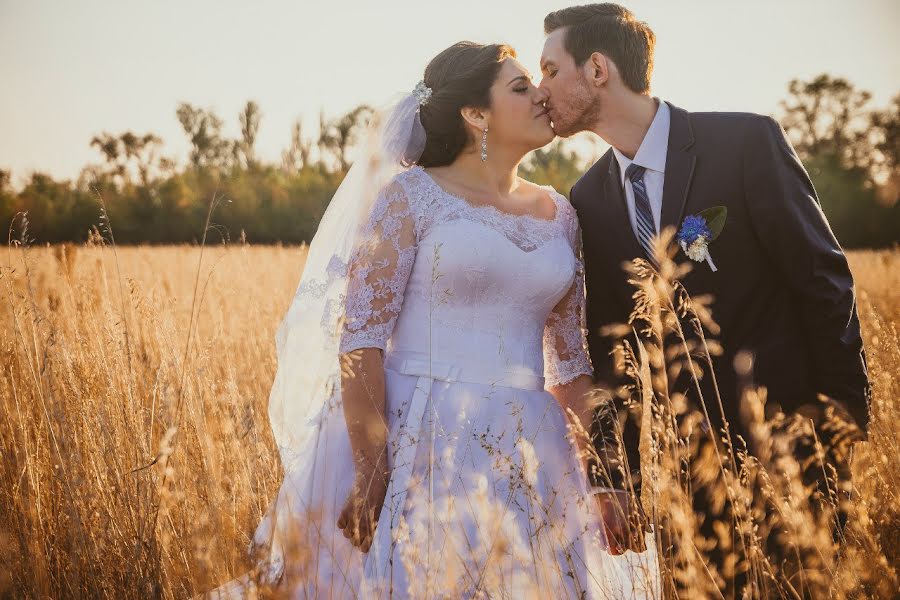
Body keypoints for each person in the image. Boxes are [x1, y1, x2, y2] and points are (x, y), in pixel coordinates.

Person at [206, 41, 661, 599]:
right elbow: (362, 342)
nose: (542, 94)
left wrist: (604, 477)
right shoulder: (411, 198)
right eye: (520, 88)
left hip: (531, 450)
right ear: (475, 114)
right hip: (420, 434)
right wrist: (372, 468)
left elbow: (568, 365)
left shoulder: (561, 214)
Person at [538, 4, 870, 598]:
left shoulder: (744, 141)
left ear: (596, 69)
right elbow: (616, 349)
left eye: (549, 69)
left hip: (790, 448)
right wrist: (618, 478)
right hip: (683, 477)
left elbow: (824, 280)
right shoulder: (587, 196)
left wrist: (841, 422)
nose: (541, 89)